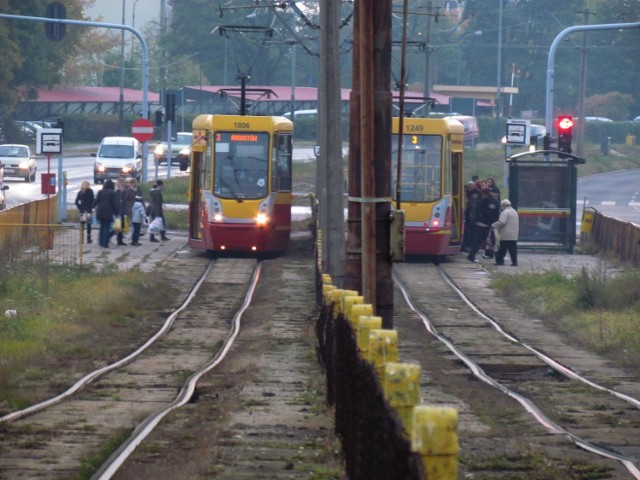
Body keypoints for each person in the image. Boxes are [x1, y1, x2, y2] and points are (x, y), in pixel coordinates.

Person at [467, 188, 500, 263]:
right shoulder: (493, 202)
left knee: (478, 241)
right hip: (487, 225)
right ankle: (497, 259)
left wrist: (476, 220)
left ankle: (471, 256)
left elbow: (477, 211)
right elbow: (493, 214)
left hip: (479, 223)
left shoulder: (482, 200)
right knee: (493, 242)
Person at [492, 199, 520, 266]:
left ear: (504, 205)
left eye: (502, 206)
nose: (501, 207)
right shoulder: (514, 211)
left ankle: (500, 262)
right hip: (514, 235)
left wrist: (493, 225)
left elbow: (502, 222)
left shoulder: (505, 212)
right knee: (513, 250)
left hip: (506, 234)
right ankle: (514, 262)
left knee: (502, 249)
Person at [93, 179, 119, 248]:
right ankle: (105, 243)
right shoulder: (112, 193)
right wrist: (116, 213)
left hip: (100, 211)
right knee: (106, 227)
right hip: (107, 212)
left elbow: (96, 201)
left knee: (102, 227)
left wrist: (92, 207)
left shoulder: (100, 192)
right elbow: (114, 204)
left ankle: (101, 242)